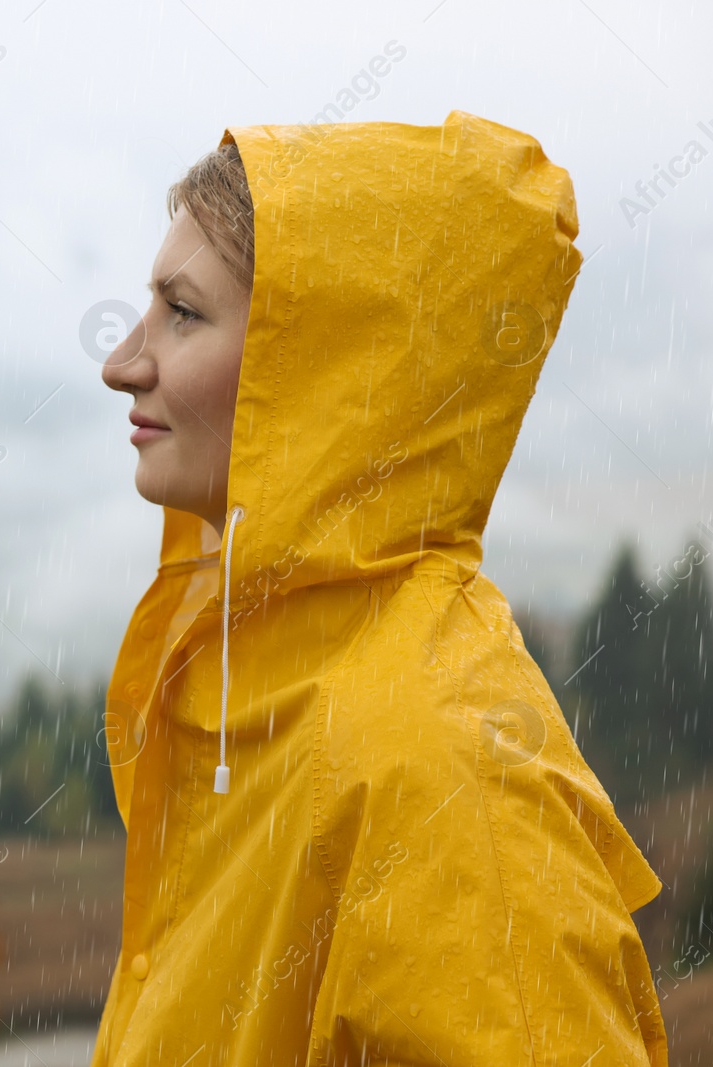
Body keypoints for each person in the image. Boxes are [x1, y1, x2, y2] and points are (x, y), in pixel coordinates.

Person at [93, 111, 667, 1065]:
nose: (121, 364)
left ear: (323, 366)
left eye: (182, 312)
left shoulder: (448, 777)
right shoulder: (255, 686)